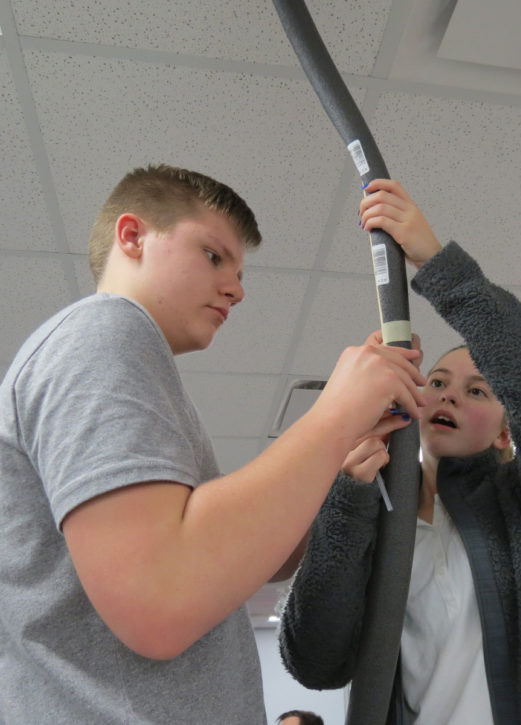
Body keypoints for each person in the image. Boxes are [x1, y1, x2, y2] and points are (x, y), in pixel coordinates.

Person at [0, 165, 426, 724]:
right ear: (133, 237)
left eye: (238, 269)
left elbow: (238, 563)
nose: (237, 288)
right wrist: (334, 415)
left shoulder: (131, 361)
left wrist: (336, 458)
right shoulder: (103, 334)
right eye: (213, 255)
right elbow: (161, 602)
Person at [279, 179, 521, 724]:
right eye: (438, 381)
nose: (448, 394)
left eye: (477, 390)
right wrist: (348, 498)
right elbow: (315, 663)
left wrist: (442, 269)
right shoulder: (375, 515)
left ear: (504, 435)